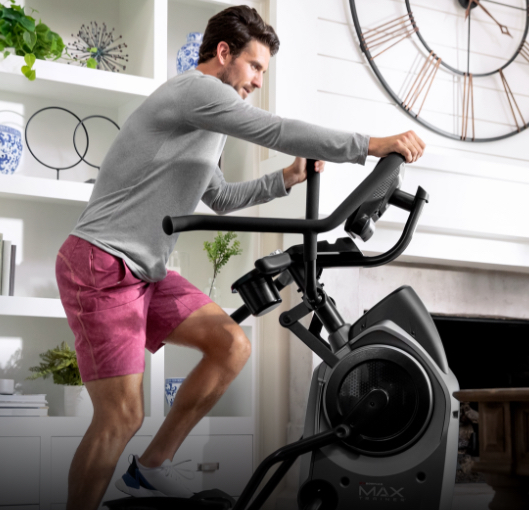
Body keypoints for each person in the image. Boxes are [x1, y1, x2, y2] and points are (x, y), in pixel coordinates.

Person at [55, 5, 426, 508]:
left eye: (263, 73)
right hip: (102, 263)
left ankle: (151, 468)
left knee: (231, 346)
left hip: (146, 270)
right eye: (254, 67)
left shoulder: (204, 119)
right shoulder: (196, 91)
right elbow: (273, 130)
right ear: (224, 53)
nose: (256, 81)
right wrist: (372, 144)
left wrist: (288, 178)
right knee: (120, 416)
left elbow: (221, 198)